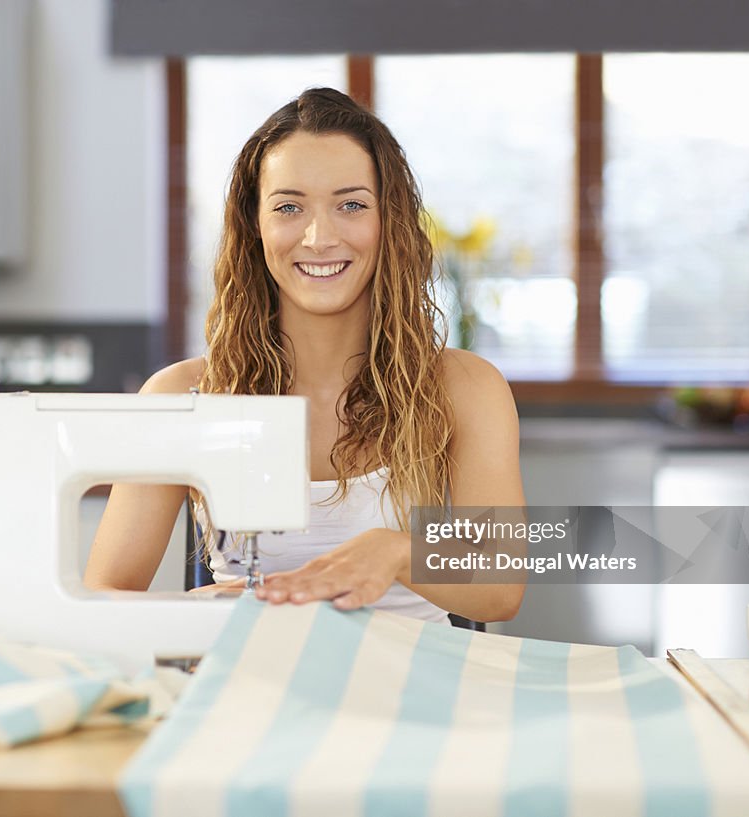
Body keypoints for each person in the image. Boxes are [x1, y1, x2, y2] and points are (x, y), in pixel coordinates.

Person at [84, 87, 525, 625]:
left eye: (352, 205)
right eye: (289, 207)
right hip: (250, 690)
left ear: (390, 221)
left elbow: (502, 587)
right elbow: (104, 594)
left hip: (413, 697)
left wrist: (395, 553)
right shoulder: (182, 397)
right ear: (255, 224)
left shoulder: (462, 388)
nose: (319, 237)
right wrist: (195, 612)